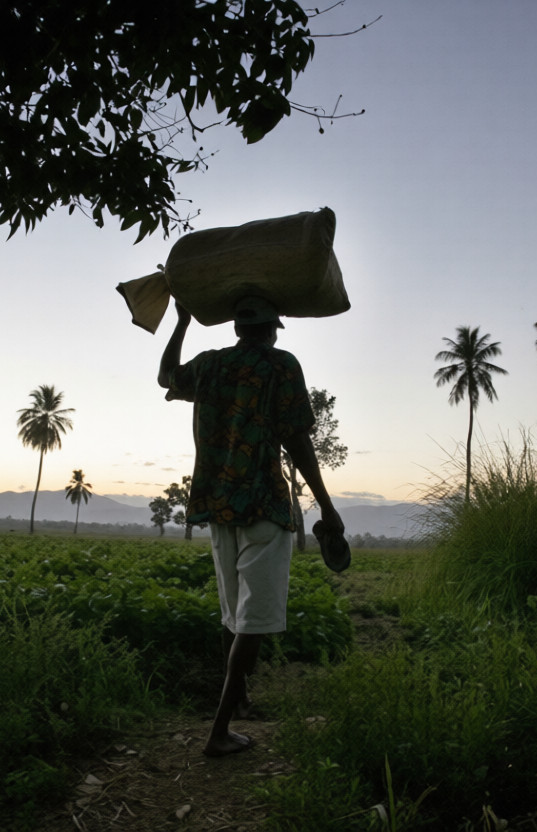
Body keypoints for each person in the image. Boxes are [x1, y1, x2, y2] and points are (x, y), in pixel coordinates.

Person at [157, 296, 345, 757]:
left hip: (218, 507)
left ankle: (237, 700)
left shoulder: (210, 365)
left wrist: (180, 322)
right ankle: (219, 731)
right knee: (253, 621)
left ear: (239, 329)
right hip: (263, 505)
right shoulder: (281, 366)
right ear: (273, 328)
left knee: (232, 614)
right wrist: (326, 505)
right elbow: (297, 438)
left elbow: (166, 376)